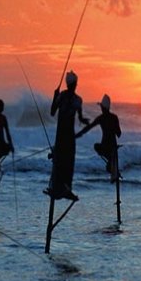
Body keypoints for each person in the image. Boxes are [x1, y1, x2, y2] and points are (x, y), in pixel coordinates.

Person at [46, 71, 89, 201]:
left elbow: (53, 112)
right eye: (74, 84)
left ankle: (63, 189)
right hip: (66, 135)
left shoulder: (67, 98)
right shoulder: (74, 99)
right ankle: (60, 189)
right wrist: (55, 96)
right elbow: (53, 112)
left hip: (65, 135)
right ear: (73, 84)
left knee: (65, 162)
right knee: (64, 161)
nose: (74, 86)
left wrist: (55, 97)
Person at [76, 94, 122, 181]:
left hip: (105, 146)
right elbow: (119, 134)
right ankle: (111, 162)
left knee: (96, 146)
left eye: (101, 107)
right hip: (113, 146)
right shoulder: (114, 117)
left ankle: (110, 162)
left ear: (103, 107)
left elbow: (89, 127)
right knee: (109, 156)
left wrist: (78, 134)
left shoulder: (101, 118)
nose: (101, 108)